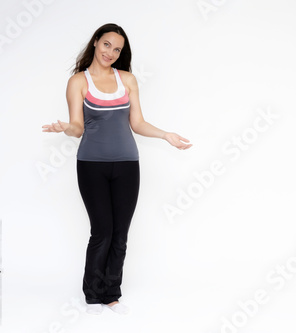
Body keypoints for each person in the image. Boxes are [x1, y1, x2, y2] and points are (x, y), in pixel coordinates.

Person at [42, 23, 192, 315]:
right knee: (102, 231)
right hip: (91, 165)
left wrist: (166, 135)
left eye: (117, 49)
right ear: (96, 42)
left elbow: (137, 123)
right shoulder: (78, 82)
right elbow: (77, 127)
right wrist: (65, 128)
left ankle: (111, 294)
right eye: (107, 44)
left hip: (127, 165)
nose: (111, 52)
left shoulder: (128, 80)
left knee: (120, 234)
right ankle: (92, 295)